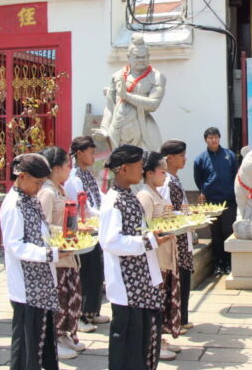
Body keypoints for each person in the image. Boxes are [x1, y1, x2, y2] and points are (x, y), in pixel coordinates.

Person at [100, 144, 170, 370]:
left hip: (141, 280)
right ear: (123, 169)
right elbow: (110, 241)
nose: (141, 170)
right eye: (138, 166)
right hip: (127, 283)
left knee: (141, 339)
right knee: (127, 341)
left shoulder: (128, 195)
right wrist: (147, 241)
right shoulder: (113, 200)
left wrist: (152, 236)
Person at [0, 153, 64, 370]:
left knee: (40, 338)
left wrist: (59, 240)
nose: (39, 188)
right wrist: (50, 254)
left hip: (41, 281)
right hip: (27, 284)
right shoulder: (14, 204)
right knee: (26, 342)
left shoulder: (29, 198)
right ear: (22, 176)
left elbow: (40, 230)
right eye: (37, 183)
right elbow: (15, 245)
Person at [37, 146, 85, 360]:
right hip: (57, 257)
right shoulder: (47, 192)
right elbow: (44, 226)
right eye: (67, 165)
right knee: (58, 299)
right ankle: (53, 340)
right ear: (56, 168)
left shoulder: (59, 189)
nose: (69, 169)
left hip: (68, 254)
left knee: (69, 298)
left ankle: (64, 334)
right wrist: (67, 232)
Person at [137, 151, 179, 362]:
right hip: (155, 258)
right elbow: (143, 229)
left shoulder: (156, 193)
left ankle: (159, 339)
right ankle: (153, 343)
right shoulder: (145, 196)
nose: (165, 175)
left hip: (164, 256)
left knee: (163, 300)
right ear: (150, 173)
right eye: (162, 172)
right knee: (156, 302)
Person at [64, 136, 108, 332]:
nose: (93, 156)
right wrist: (101, 215)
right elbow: (83, 208)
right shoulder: (74, 178)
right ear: (79, 153)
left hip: (95, 227)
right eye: (90, 152)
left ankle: (93, 311)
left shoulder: (87, 174)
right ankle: (81, 316)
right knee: (86, 273)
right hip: (84, 229)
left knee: (97, 272)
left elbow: (99, 196)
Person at [97, 33, 166, 151]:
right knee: (119, 160)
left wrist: (126, 95)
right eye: (137, 57)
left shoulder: (156, 77)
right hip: (118, 127)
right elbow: (110, 106)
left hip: (142, 127)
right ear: (128, 57)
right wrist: (104, 127)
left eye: (144, 57)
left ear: (148, 56)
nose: (141, 60)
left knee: (151, 158)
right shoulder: (117, 76)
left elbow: (153, 105)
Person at [159, 140, 194, 333]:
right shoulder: (167, 181)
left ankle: (182, 318)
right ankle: (174, 320)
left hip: (183, 236)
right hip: (175, 239)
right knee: (177, 280)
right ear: (170, 158)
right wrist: (186, 214)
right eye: (181, 155)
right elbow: (166, 212)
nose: (184, 159)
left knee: (185, 278)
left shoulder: (174, 179)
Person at [193, 127, 238, 274]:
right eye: (210, 138)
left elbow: (236, 175)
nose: (213, 140)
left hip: (229, 201)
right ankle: (218, 264)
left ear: (219, 138)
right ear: (205, 140)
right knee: (216, 234)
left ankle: (229, 263)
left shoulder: (229, 155)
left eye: (216, 137)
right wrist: (204, 191)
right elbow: (199, 180)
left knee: (228, 232)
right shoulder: (200, 159)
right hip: (211, 203)